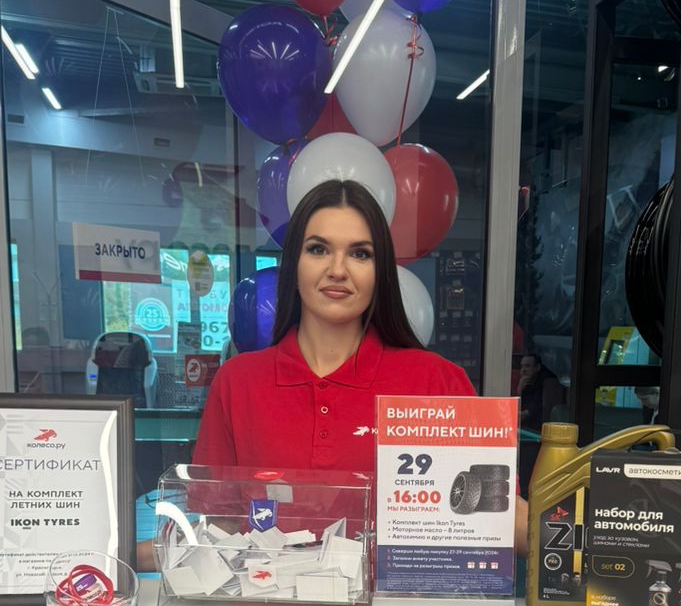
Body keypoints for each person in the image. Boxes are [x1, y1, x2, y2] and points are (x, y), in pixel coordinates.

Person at [138, 178, 525, 567]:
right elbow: (219, 529)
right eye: (318, 249)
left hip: (398, 604)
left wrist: (560, 538)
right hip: (267, 600)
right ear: (294, 262)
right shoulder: (237, 382)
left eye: (360, 253)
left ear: (380, 271)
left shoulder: (437, 381)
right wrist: (120, 554)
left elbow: (499, 516)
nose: (338, 270)